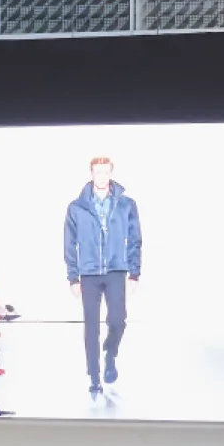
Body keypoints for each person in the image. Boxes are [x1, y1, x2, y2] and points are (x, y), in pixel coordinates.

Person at [62, 156, 142, 399]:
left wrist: (135, 273)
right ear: (91, 174)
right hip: (89, 272)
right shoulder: (76, 207)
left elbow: (135, 239)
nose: (102, 177)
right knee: (91, 326)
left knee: (118, 320)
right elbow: (69, 243)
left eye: (106, 173)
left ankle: (110, 354)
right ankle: (95, 377)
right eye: (98, 173)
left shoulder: (126, 204)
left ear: (111, 173)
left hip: (117, 269)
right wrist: (73, 277)